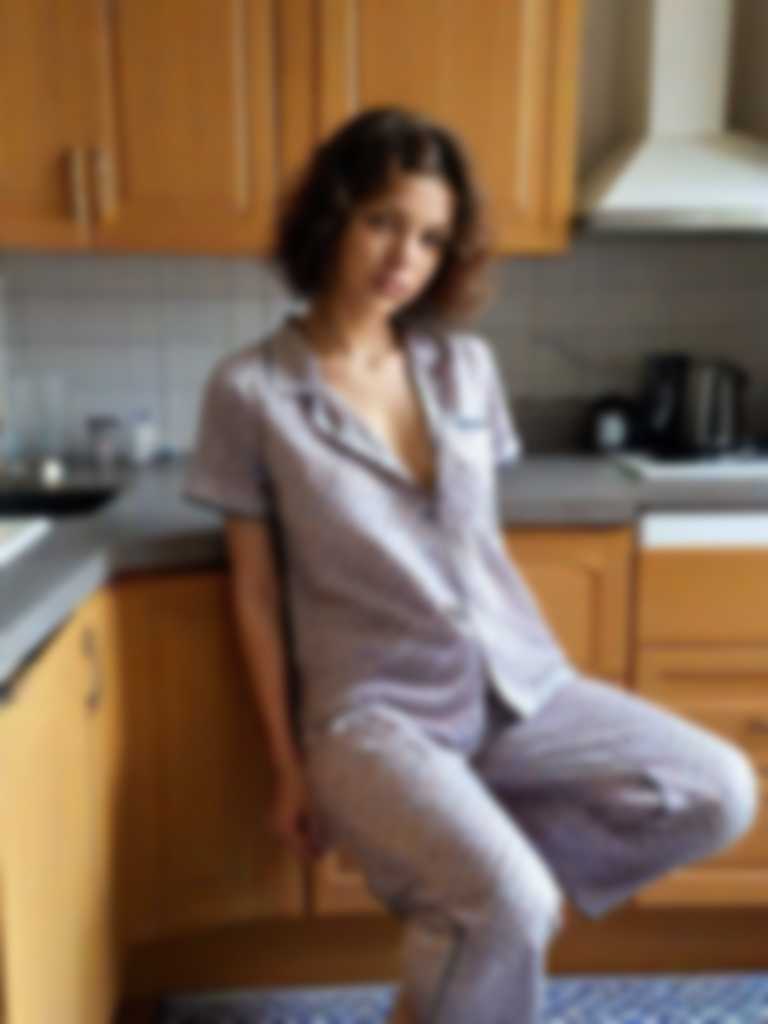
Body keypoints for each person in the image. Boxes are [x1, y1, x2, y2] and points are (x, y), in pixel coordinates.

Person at [182, 106, 760, 1024]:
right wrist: (288, 768)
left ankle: (480, 906)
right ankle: (489, 903)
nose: (404, 257)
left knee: (719, 791)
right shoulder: (251, 392)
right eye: (383, 221)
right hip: (374, 715)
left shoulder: (465, 369)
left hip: (516, 686)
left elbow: (468, 538)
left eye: (430, 237)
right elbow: (254, 594)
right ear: (332, 217)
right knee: (509, 903)